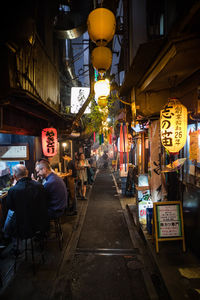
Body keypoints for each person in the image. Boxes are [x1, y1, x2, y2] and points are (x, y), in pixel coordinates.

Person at [3, 164, 49, 246]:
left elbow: (11, 207)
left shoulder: (13, 190)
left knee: (11, 213)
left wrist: (14, 186)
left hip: (22, 226)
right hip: (40, 223)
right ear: (27, 172)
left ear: (14, 176)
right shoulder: (39, 186)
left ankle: (12, 244)